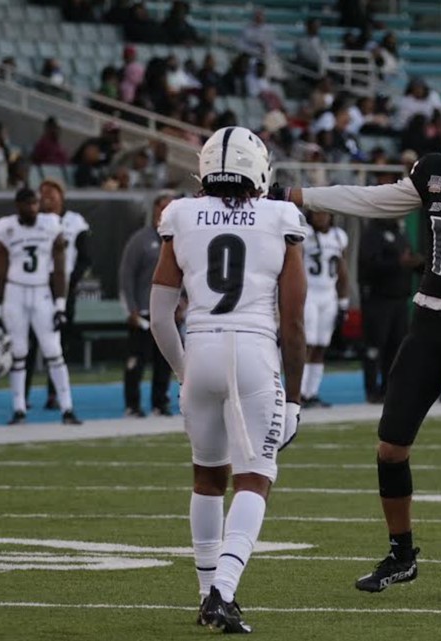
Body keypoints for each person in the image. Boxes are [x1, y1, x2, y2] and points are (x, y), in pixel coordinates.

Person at [272, 100, 441, 601]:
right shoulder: (434, 175)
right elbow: (373, 199)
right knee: (390, 448)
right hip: (425, 322)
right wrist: (298, 195)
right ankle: (402, 555)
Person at [149, 126, 307, 633]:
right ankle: (222, 591)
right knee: (255, 478)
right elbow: (296, 321)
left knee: (206, 476)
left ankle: (204, 594)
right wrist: (297, 397)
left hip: (200, 347)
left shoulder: (179, 214)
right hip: (254, 351)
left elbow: (159, 315)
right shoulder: (281, 217)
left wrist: (182, 369)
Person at [0, 188, 82, 425]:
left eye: (35, 204)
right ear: (17, 205)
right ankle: (19, 408)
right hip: (15, 292)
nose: (32, 208)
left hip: (41, 291)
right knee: (19, 352)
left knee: (53, 350)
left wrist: (60, 304)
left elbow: (59, 268)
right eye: (27, 204)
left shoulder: (51, 223)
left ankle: (67, 408)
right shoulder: (5, 228)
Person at [26, 179, 90, 410]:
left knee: (58, 342)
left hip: (64, 288)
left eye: (52, 193)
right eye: (43, 194)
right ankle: (23, 394)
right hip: (37, 286)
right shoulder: (33, 222)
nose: (47, 198)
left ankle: (54, 394)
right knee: (30, 342)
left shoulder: (75, 222)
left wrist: (70, 282)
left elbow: (84, 257)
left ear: (62, 196)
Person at [119, 191, 174, 417]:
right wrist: (129, 308)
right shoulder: (141, 240)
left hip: (168, 312)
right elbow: (126, 275)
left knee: (165, 361)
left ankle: (159, 403)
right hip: (142, 311)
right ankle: (132, 404)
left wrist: (183, 303)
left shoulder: (179, 240)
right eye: (162, 207)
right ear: (155, 210)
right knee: (136, 360)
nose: (165, 212)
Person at [358, 213, 421, 403]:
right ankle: (371, 389)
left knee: (396, 348)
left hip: (400, 298)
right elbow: (368, 265)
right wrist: (397, 263)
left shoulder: (400, 232)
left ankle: (388, 388)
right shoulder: (372, 233)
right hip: (378, 298)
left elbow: (407, 258)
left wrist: (417, 262)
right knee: (375, 346)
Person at [300, 210, 349, 408]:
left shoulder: (339, 236)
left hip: (329, 295)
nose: (321, 218)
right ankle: (298, 392)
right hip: (309, 293)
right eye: (317, 214)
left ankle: (312, 392)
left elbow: (342, 270)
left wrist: (343, 302)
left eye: (325, 214)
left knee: (321, 345)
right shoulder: (303, 234)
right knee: (307, 343)